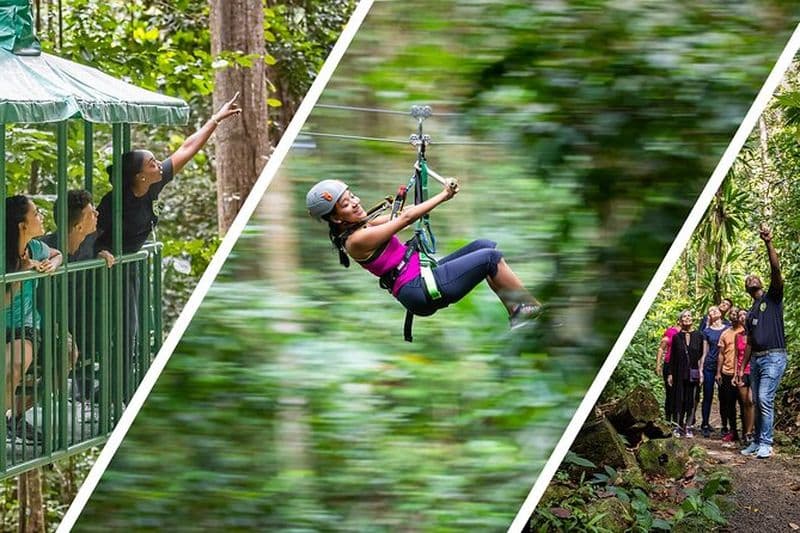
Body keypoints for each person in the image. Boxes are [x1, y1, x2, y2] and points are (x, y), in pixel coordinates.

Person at [94, 94, 240, 399]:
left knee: (130, 330)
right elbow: (89, 234)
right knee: (117, 330)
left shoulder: (153, 184)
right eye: (151, 163)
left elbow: (186, 148)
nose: (157, 163)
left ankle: (116, 387)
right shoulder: (115, 202)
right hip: (107, 269)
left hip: (128, 267)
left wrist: (215, 120)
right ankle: (110, 389)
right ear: (138, 175)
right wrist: (99, 252)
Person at [306, 178, 542, 329]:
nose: (356, 203)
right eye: (346, 204)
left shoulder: (364, 225)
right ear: (336, 218)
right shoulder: (356, 240)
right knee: (490, 258)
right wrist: (443, 196)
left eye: (352, 196)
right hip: (418, 289)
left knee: (484, 246)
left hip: (421, 275)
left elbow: (404, 214)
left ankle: (517, 310)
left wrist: (424, 179)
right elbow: (406, 219)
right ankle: (524, 310)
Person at [40, 190, 115, 402]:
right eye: (91, 213)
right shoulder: (45, 247)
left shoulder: (96, 241)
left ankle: (87, 393)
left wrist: (104, 254)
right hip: (51, 319)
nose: (97, 214)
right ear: (78, 226)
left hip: (84, 318)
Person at [4, 195, 63, 440]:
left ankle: (13, 417)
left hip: (24, 326)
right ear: (22, 225)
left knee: (16, 362)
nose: (41, 217)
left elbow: (57, 253)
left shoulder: (36, 248)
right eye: (36, 213)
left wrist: (54, 264)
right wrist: (22, 272)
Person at [739, 225, 786, 459]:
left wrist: (769, 242)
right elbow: (749, 342)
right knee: (756, 400)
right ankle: (757, 441)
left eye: (754, 277)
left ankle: (767, 442)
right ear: (746, 288)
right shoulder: (750, 312)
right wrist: (741, 368)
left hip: (774, 356)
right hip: (756, 360)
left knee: (765, 397)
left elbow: (775, 269)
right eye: (748, 279)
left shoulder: (772, 298)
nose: (752, 278)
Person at [668, 309, 705, 438]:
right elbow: (672, 357)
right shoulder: (676, 337)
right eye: (684, 316)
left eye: (689, 316)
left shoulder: (699, 335)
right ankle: (677, 426)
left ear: (692, 319)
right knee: (679, 399)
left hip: (693, 372)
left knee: (691, 398)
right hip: (679, 372)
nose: (687, 318)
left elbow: (701, 355)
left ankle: (688, 426)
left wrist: (701, 372)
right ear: (680, 320)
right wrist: (671, 374)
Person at [699, 305, 728, 438]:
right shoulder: (707, 331)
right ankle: (704, 424)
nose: (713, 311)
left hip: (724, 367)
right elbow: (704, 351)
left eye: (715, 309)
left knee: (724, 397)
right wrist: (701, 369)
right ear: (709, 315)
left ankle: (725, 426)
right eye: (710, 310)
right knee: (708, 395)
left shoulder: (728, 329)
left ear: (720, 313)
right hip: (709, 366)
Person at [716, 306, 742, 442]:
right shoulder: (725, 333)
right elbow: (721, 354)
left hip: (742, 372)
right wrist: (718, 372)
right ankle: (733, 431)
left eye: (735, 313)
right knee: (729, 403)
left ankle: (747, 432)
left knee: (744, 403)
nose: (733, 315)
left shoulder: (745, 332)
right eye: (731, 313)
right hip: (727, 372)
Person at [733, 308, 754, 444]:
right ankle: (746, 432)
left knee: (752, 401)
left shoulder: (756, 333)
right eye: (740, 315)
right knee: (744, 402)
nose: (742, 317)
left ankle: (751, 432)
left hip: (754, 370)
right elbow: (736, 356)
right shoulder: (738, 335)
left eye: (744, 314)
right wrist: (736, 373)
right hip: (742, 371)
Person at [655, 317, 680, 424]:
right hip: (670, 364)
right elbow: (661, 348)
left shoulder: (688, 333)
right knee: (670, 393)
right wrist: (658, 365)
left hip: (682, 366)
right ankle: (668, 419)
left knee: (679, 394)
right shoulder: (671, 332)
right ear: (679, 320)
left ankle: (677, 420)